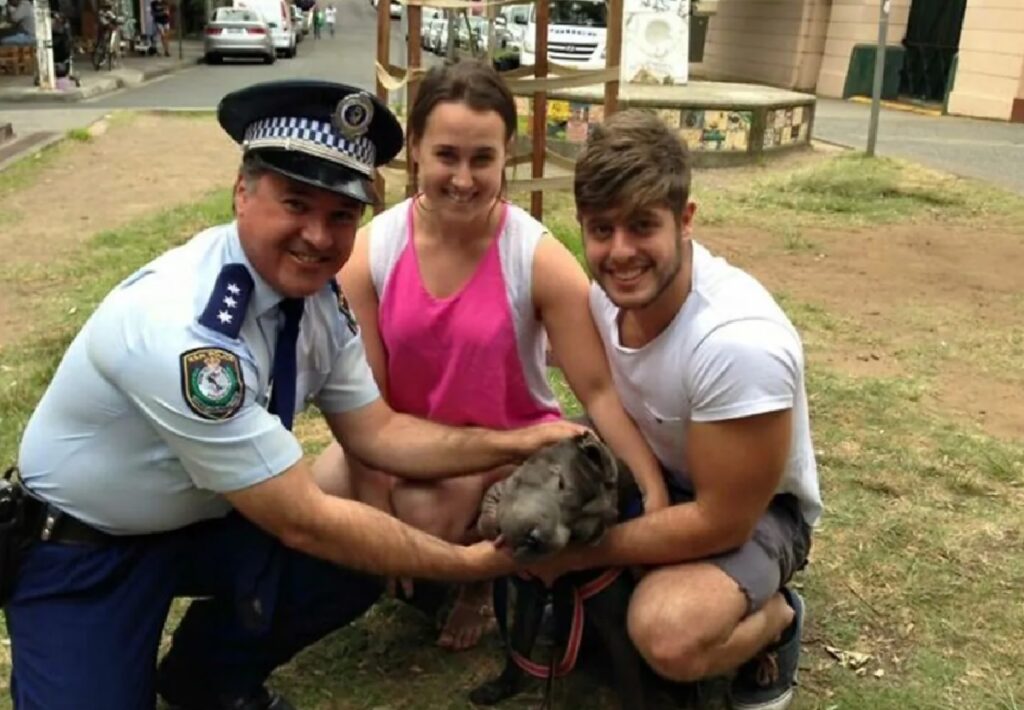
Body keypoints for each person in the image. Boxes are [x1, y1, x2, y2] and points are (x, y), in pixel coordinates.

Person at [2, 79, 586, 710]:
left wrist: (524, 439)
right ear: (241, 192)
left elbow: (379, 433)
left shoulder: (315, 302)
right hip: (87, 548)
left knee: (351, 553)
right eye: (295, 203)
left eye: (340, 214)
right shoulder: (183, 333)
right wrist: (468, 565)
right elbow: (302, 519)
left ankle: (209, 680)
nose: (317, 235)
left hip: (203, 520)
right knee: (337, 533)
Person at [312, 60, 667, 651]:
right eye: (447, 155)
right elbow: (363, 404)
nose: (463, 178)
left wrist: (652, 488)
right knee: (321, 501)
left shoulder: (537, 258)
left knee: (422, 518)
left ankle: (482, 586)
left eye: (483, 159)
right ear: (417, 151)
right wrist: (375, 519)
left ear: (508, 157)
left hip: (505, 451)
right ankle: (421, 564)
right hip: (403, 441)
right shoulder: (372, 252)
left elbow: (598, 392)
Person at [529, 109, 822, 710]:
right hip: (658, 468)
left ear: (685, 220)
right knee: (516, 467)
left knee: (667, 632)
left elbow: (722, 522)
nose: (621, 251)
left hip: (756, 511)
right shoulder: (600, 297)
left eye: (642, 226)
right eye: (602, 229)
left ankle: (778, 621)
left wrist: (578, 554)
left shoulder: (738, 341)